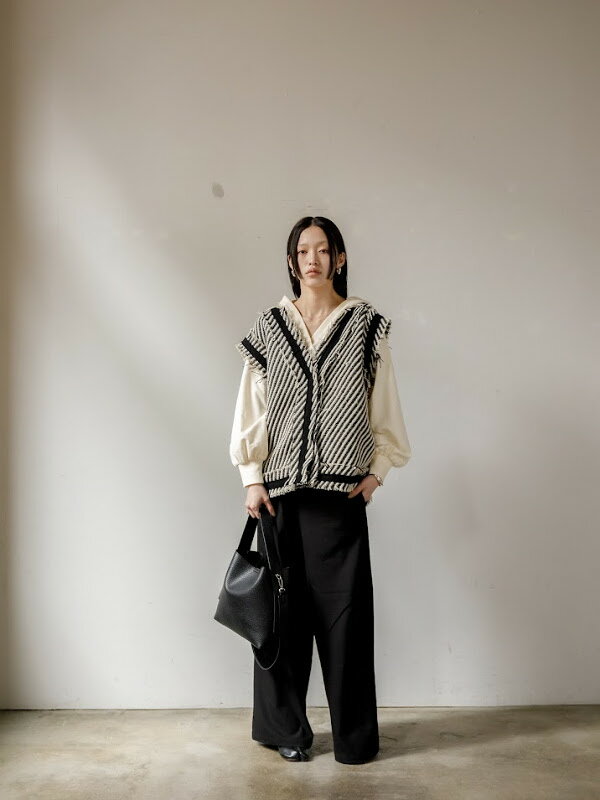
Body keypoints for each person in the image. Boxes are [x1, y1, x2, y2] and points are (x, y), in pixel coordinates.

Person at [229, 216, 411, 764]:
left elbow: (385, 406)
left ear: (339, 258)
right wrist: (252, 477)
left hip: (341, 498)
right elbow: (251, 406)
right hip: (279, 497)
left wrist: (377, 472)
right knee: (280, 621)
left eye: (323, 249)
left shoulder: (365, 325)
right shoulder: (270, 325)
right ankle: (285, 730)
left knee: (346, 621)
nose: (313, 259)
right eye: (303, 250)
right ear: (292, 262)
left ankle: (354, 739)